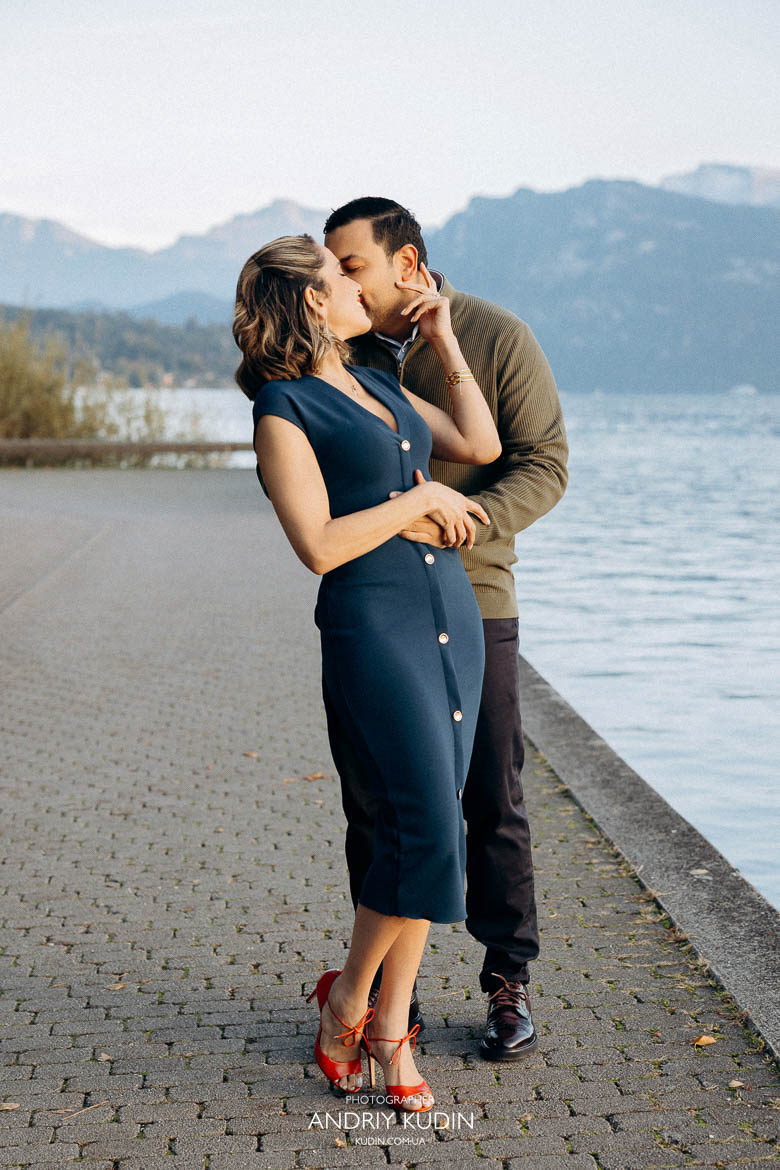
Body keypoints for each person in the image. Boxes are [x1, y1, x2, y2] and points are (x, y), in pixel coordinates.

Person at [234, 234, 502, 1110]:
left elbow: (480, 442)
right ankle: (349, 1001)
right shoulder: (282, 408)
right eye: (342, 275)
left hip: (448, 612)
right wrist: (419, 498)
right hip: (373, 626)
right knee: (423, 826)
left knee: (436, 821)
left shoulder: (381, 382)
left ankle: (386, 1028)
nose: (360, 287)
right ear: (314, 300)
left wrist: (444, 338)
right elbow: (317, 546)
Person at [323, 197, 569, 1060]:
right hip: (376, 605)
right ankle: (392, 990)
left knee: (491, 798)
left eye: (352, 265)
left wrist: (463, 523)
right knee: (378, 802)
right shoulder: (338, 351)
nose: (340, 282)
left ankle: (508, 979)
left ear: (409, 263)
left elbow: (544, 463)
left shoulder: (498, 336)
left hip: (477, 598)